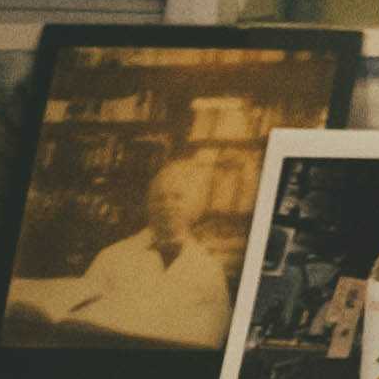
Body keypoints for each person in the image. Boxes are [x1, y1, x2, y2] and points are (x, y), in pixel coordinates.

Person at [20, 130, 258, 349]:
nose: (168, 206)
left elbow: (216, 329)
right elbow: (81, 311)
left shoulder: (209, 268)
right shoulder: (113, 256)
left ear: (195, 205)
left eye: (178, 197)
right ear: (149, 206)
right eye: (160, 198)